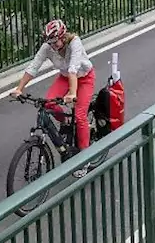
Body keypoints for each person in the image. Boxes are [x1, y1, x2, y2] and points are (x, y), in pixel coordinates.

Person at [12, 19, 96, 154]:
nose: (53, 46)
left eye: (55, 42)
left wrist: (72, 93)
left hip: (84, 78)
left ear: (63, 37)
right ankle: (66, 121)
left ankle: (85, 158)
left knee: (80, 116)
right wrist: (19, 88)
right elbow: (34, 67)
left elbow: (73, 69)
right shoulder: (48, 47)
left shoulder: (75, 43)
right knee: (49, 103)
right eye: (49, 42)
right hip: (64, 78)